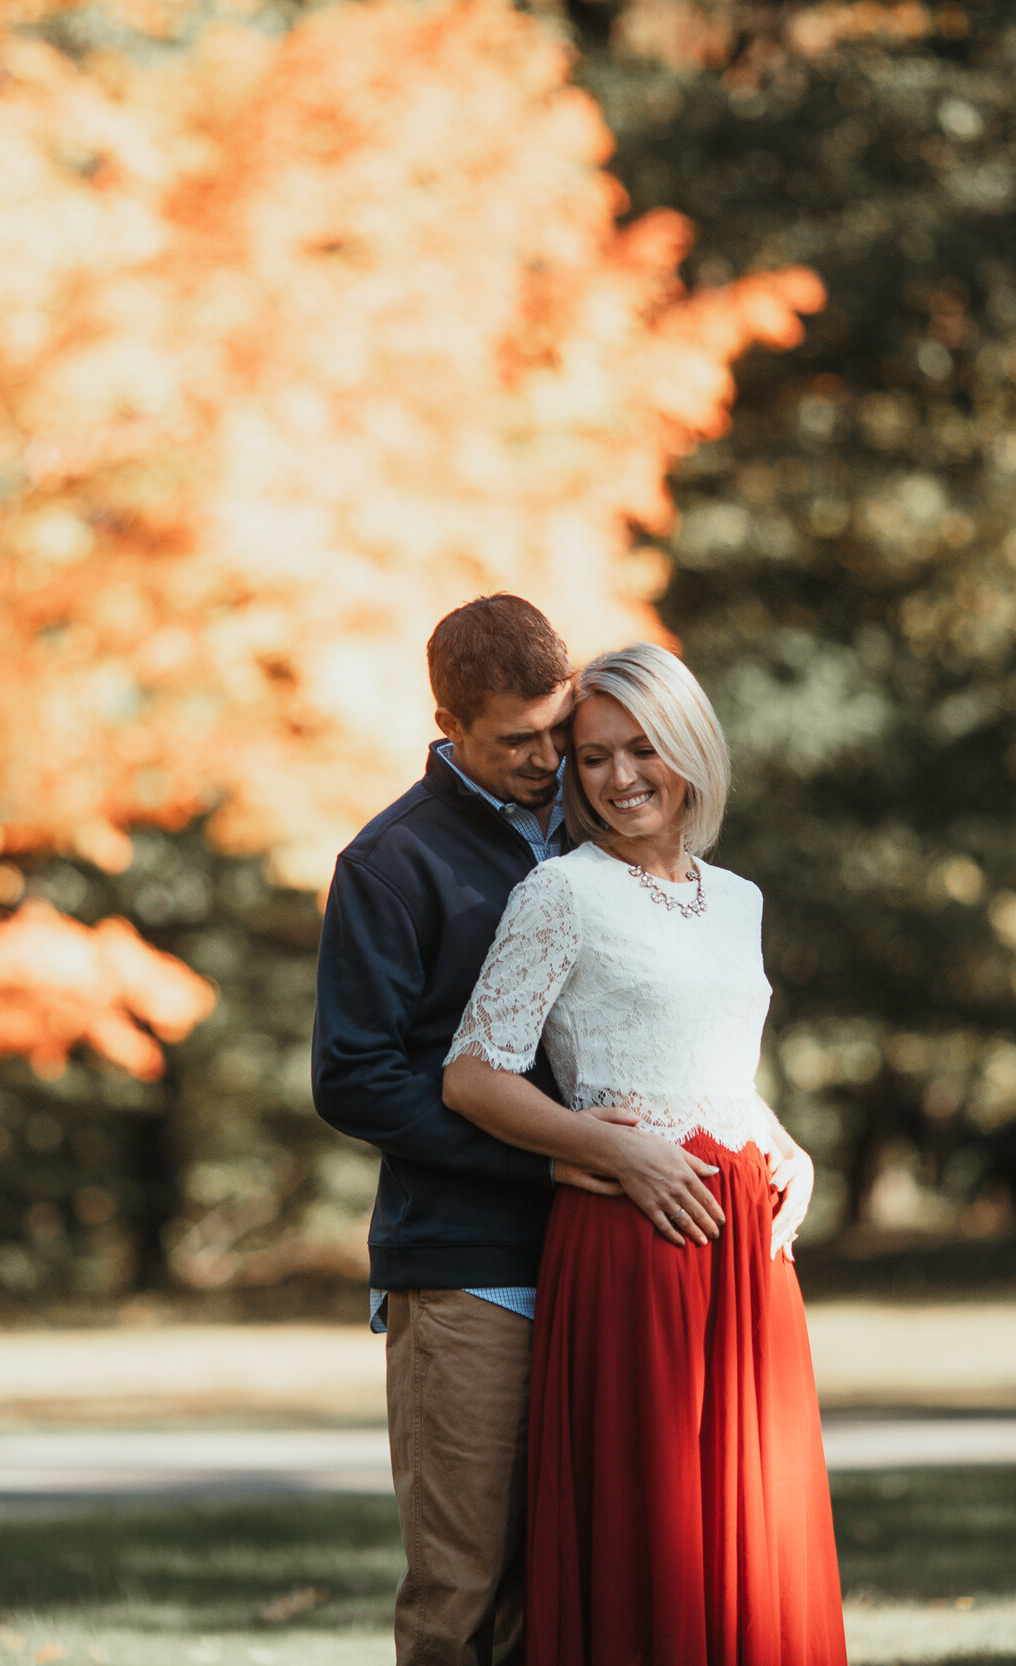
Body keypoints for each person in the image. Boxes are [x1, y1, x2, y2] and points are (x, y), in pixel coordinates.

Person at [313, 596, 704, 1666]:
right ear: (447, 721)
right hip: (468, 1269)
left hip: (604, 1256)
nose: (549, 759)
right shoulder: (391, 863)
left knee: (564, 1581)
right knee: (463, 1584)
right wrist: (546, 1154)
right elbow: (351, 1078)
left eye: (556, 728)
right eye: (515, 741)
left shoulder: (599, 826)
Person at [440, 641, 847, 1666]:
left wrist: (783, 1142)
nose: (619, 778)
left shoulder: (738, 899)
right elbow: (475, 1073)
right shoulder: (561, 894)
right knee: (652, 1537)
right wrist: (611, 1154)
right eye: (591, 757)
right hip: (634, 1242)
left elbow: (706, 1061)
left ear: (691, 749)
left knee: (756, 1534)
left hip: (748, 1253)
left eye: (642, 750)